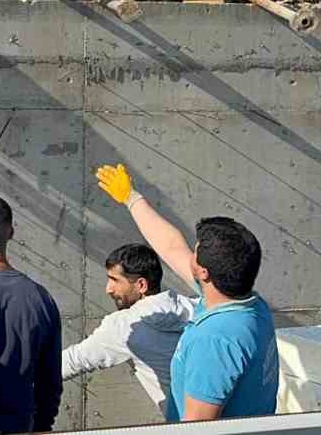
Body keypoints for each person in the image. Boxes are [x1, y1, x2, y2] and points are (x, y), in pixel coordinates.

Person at [95, 163, 279, 422]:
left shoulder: (214, 341)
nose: (189, 254)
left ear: (204, 273)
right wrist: (131, 198)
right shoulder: (244, 300)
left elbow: (196, 428)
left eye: (195, 252)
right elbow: (171, 246)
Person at [0, 192, 62, 435]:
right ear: (12, 233)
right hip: (18, 426)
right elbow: (50, 384)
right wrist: (41, 426)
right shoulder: (41, 298)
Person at [63, 243, 195, 419]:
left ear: (141, 285)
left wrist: (17, 376)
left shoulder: (126, 326)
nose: (108, 289)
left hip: (189, 425)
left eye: (115, 280)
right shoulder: (194, 306)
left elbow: (72, 361)